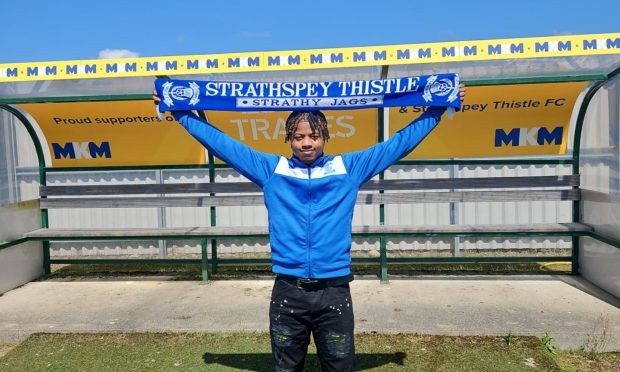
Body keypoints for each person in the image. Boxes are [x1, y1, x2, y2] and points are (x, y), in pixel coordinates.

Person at [154, 83, 466, 371]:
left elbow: (399, 144)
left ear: (325, 137)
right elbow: (221, 143)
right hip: (288, 293)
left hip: (334, 292)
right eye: (299, 137)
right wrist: (179, 110)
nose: (306, 143)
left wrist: (436, 108)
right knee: (287, 366)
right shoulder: (270, 169)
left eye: (314, 136)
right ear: (288, 139)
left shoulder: (348, 168)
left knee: (339, 365)